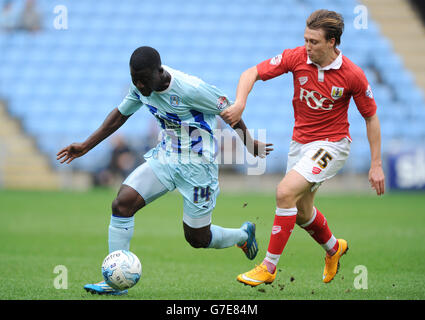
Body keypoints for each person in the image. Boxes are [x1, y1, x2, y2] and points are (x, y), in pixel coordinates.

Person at [57, 46, 273, 295]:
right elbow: (119, 116)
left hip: (197, 165)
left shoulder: (190, 89)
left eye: (142, 81)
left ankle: (242, 235)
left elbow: (229, 111)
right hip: (166, 156)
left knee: (197, 238)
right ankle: (115, 281)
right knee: (122, 204)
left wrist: (248, 143)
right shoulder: (140, 86)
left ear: (159, 72)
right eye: (134, 80)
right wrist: (86, 145)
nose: (138, 85)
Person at [220, 9, 385, 287]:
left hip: (332, 144)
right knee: (302, 212)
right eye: (306, 39)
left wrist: (376, 164)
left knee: (284, 192)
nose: (307, 47)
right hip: (301, 143)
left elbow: (371, 118)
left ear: (332, 42)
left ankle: (268, 267)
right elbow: (252, 73)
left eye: (314, 42)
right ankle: (334, 249)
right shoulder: (297, 57)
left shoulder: (352, 75)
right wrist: (240, 103)